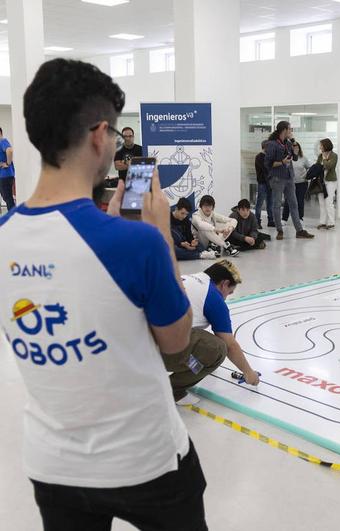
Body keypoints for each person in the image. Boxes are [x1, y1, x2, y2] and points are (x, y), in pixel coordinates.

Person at [0, 59, 207, 529]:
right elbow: (177, 345)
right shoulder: (137, 243)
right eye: (114, 133)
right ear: (98, 135)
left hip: (53, 465)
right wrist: (162, 238)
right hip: (146, 462)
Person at [164, 260, 261, 405]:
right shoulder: (213, 297)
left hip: (138, 340)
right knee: (217, 350)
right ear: (224, 283)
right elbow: (230, 345)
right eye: (229, 292)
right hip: (157, 349)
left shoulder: (190, 279)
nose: (226, 297)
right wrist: (248, 373)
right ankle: (172, 391)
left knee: (198, 345)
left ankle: (194, 368)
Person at [264, 121, 314, 240]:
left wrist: (293, 142)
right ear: (285, 130)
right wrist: (282, 162)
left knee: (294, 203)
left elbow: (295, 157)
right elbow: (267, 164)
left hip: (289, 177)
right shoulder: (272, 144)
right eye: (290, 129)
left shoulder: (287, 143)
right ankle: (279, 230)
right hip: (277, 178)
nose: (291, 131)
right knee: (277, 205)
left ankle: (299, 230)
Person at [283, 140, 310, 223]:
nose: (295, 148)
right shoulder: (288, 157)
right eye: (294, 147)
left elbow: (309, 167)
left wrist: (306, 175)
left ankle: (300, 218)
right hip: (290, 183)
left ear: (299, 148)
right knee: (288, 201)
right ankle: (284, 219)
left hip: (302, 183)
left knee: (300, 200)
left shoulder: (303, 158)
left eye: (297, 147)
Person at [317, 138, 338, 229]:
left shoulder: (334, 155)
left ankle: (331, 222)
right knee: (322, 202)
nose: (320, 147)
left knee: (329, 202)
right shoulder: (320, 156)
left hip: (330, 181)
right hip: (321, 181)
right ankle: (322, 222)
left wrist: (325, 159)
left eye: (321, 145)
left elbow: (329, 166)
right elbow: (317, 166)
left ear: (326, 145)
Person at [254, 140, 274, 228]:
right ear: (265, 147)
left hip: (269, 183)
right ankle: (257, 221)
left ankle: (271, 220)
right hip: (263, 183)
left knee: (270, 203)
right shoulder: (259, 157)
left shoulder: (268, 157)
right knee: (260, 203)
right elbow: (265, 170)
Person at [0, 127, 15, 211]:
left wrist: (8, 163)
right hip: (3, 176)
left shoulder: (3, 141)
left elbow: (10, 150)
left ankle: (13, 219)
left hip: (5, 175)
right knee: (6, 197)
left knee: (8, 198)